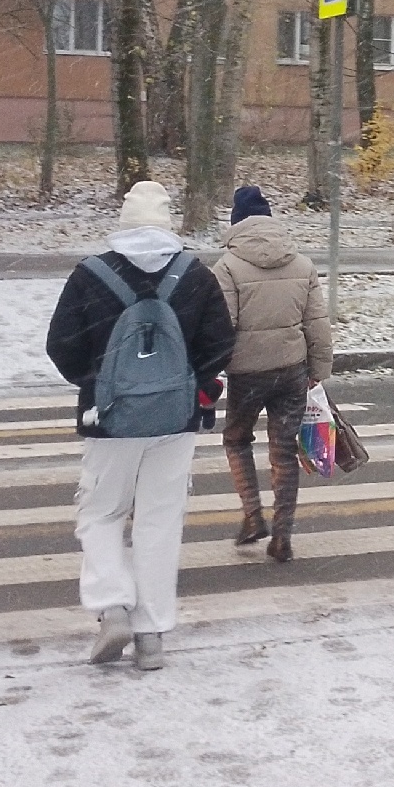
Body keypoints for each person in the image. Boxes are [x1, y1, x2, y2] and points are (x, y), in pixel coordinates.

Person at [45, 180, 235, 672]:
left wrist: (98, 384)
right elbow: (220, 344)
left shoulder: (91, 275)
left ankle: (112, 607)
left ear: (123, 223)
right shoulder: (195, 275)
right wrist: (187, 385)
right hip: (176, 419)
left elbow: (61, 345)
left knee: (101, 512)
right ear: (168, 223)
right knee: (160, 522)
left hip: (110, 420)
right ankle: (151, 636)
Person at [214, 185, 331, 563]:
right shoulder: (302, 264)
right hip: (292, 371)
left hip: (247, 374)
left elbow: (224, 326)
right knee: (284, 451)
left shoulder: (227, 267)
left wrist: (214, 367)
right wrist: (319, 369)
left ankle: (253, 515)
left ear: (237, 223)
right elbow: (317, 322)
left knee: (236, 439)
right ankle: (282, 537)